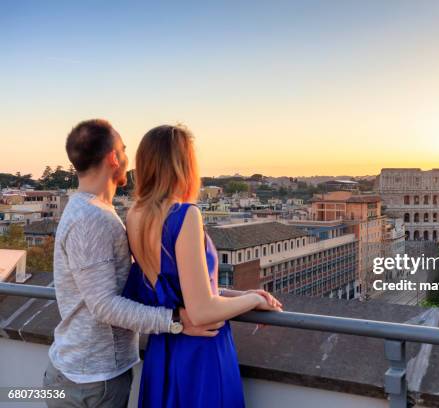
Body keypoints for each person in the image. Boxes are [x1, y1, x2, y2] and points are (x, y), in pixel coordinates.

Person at [44, 119, 222, 408]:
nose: (128, 158)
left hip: (74, 372)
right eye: (124, 149)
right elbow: (103, 305)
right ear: (113, 158)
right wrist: (175, 321)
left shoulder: (88, 210)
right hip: (92, 381)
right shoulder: (92, 218)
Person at [121, 123, 283, 408]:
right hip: (200, 353)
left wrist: (242, 297)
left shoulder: (135, 214)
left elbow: (180, 288)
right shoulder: (185, 215)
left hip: (164, 347)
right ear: (184, 165)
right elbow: (202, 311)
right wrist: (255, 298)